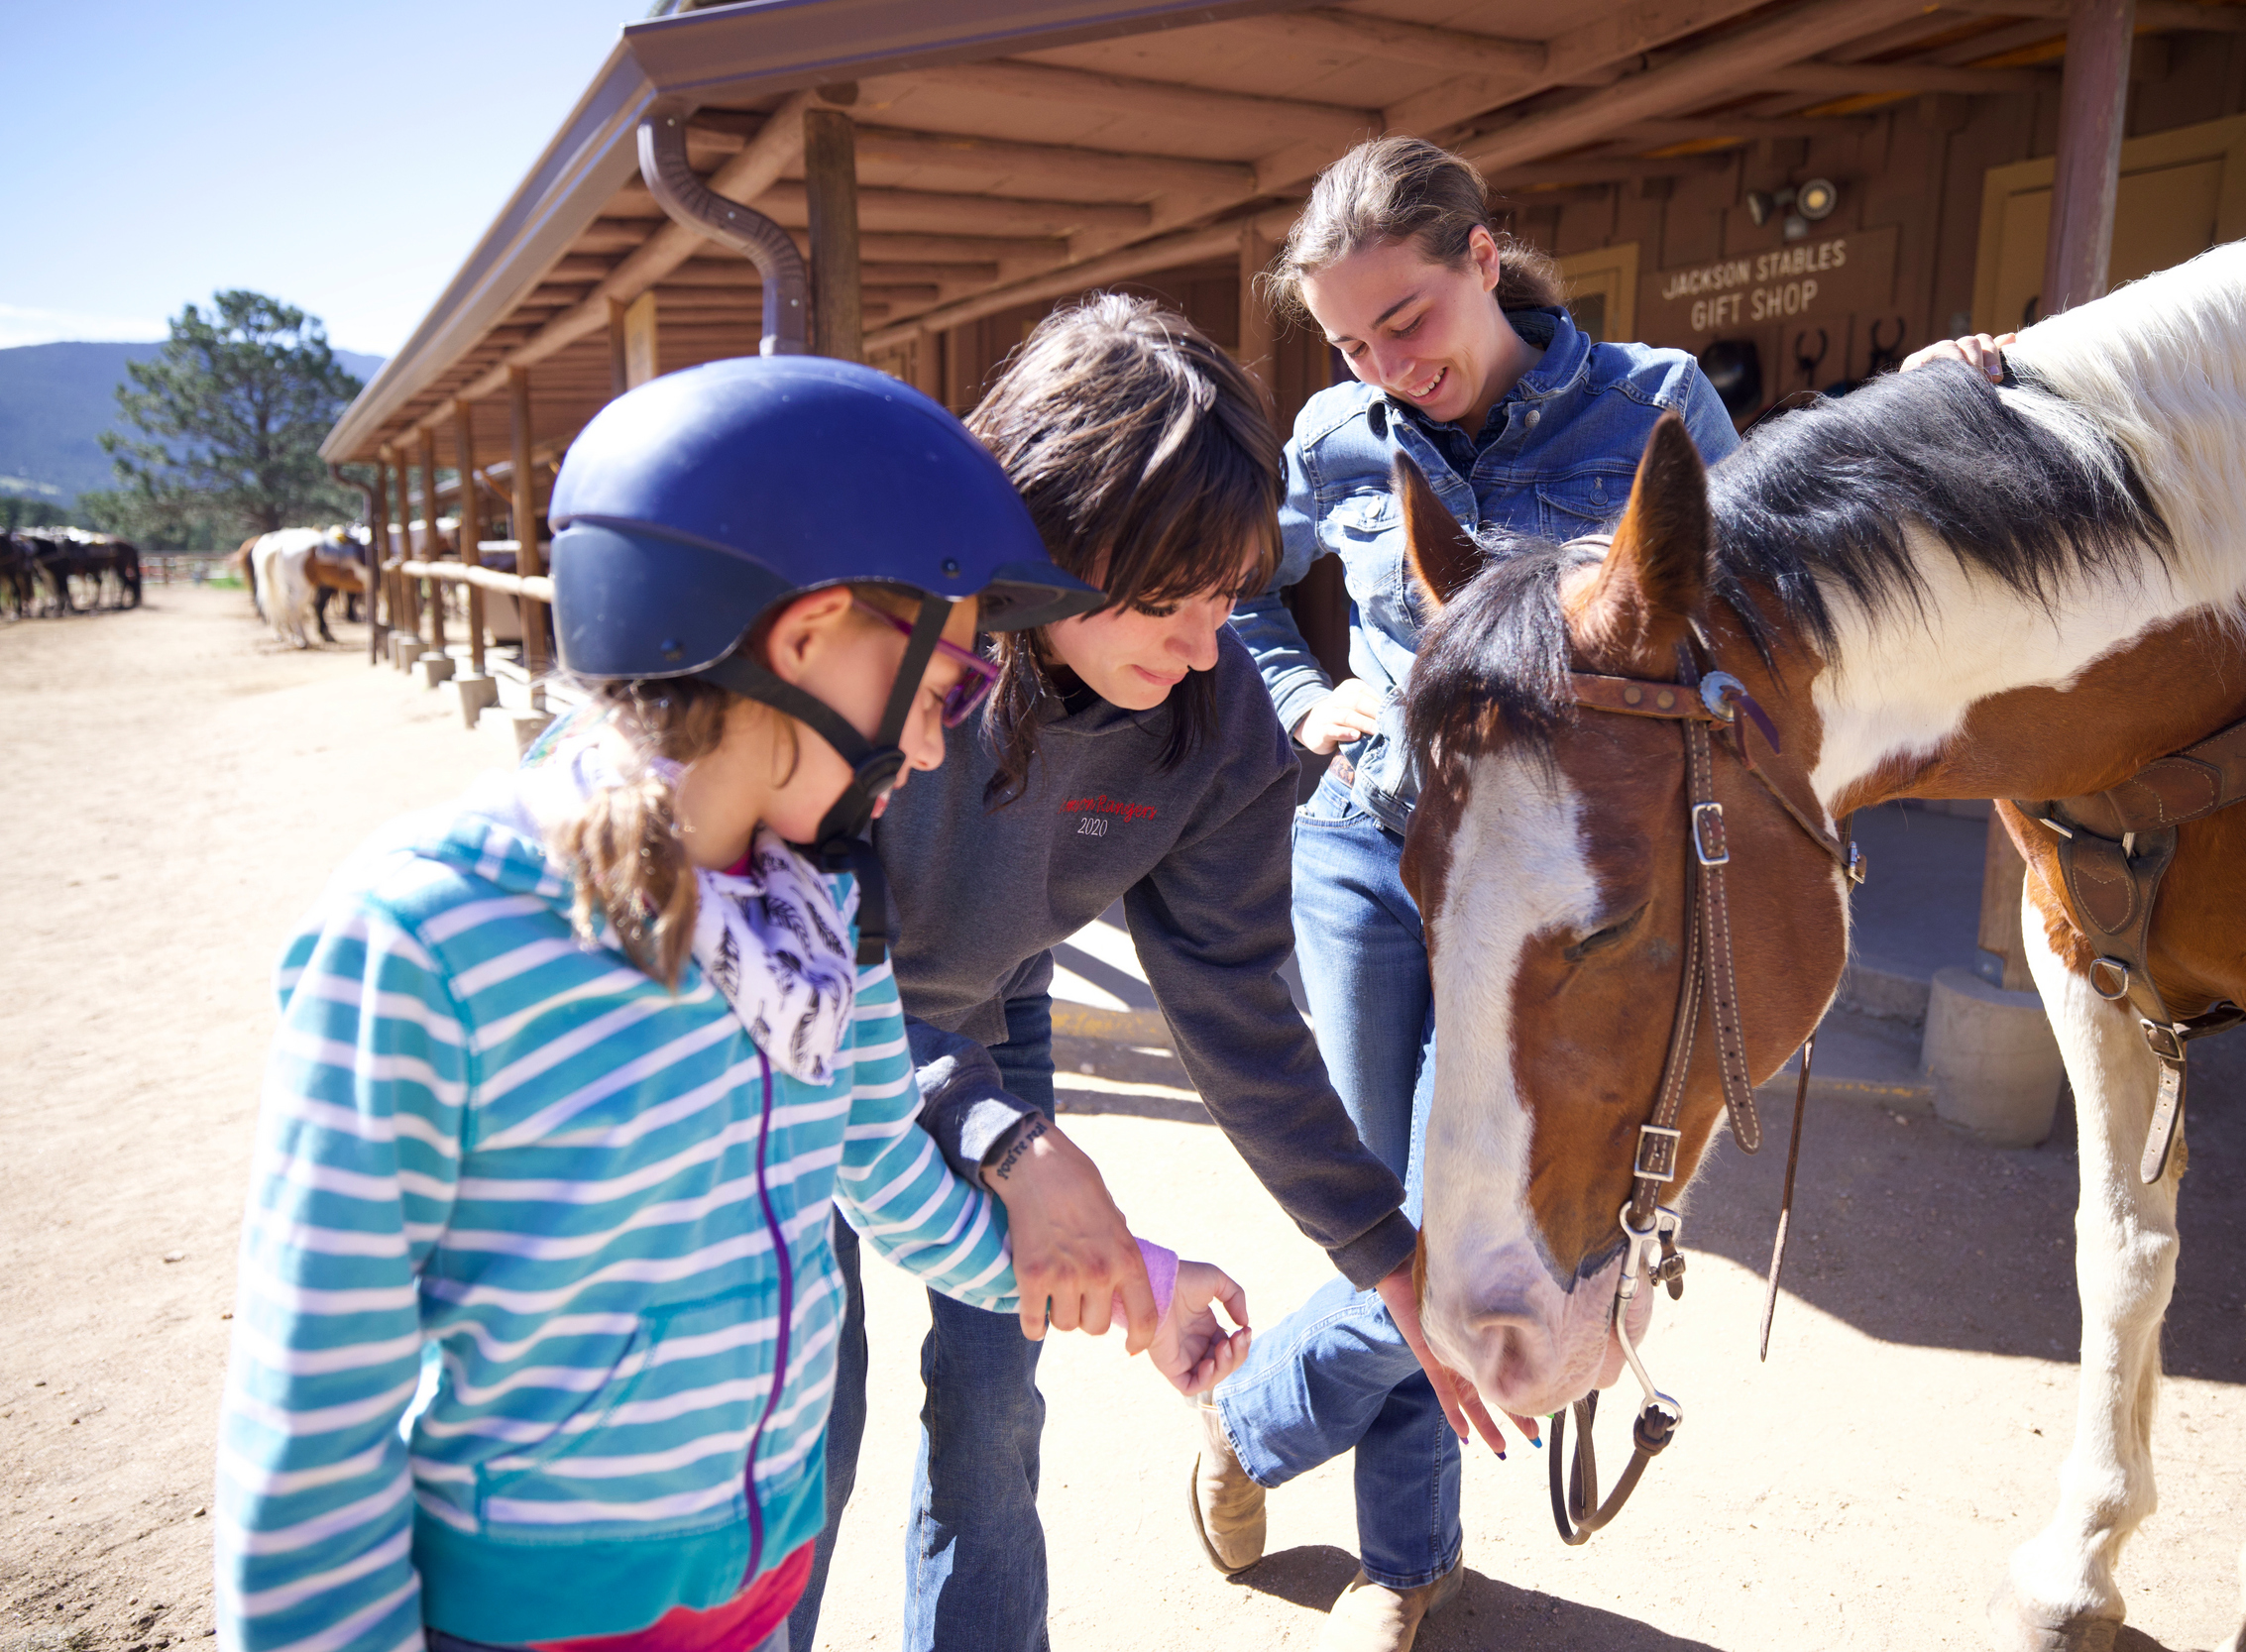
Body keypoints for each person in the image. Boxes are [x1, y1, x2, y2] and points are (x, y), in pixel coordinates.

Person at [213, 357, 1248, 1652]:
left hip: (751, 1586)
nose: (935, 748)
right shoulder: (428, 940)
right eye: (944, 692)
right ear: (806, 638)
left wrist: (1137, 1283)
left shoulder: (816, 915)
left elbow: (880, 1166)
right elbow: (314, 1427)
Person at [782, 293, 1472, 1652]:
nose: (1209, 642)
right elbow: (825, 977)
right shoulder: (897, 675)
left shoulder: (1212, 724)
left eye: (1231, 593)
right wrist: (1014, 1141)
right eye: (1168, 597)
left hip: (991, 1015)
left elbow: (1237, 1011)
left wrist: (1384, 1254)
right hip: (802, 1040)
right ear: (1042, 545)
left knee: (993, 1407)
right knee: (811, 1405)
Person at [1219, 136, 1743, 1652]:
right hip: (1367, 854)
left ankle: (1248, 1420)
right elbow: (1247, 579)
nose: (1388, 363)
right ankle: (1407, 1559)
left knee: (1458, 1239)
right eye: (1352, 341)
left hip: (1547, 895)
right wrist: (1294, 687)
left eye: (1409, 321)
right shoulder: (1333, 433)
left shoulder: (1659, 409)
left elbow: (1774, 569)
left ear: (1483, 259)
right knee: (1381, 1213)